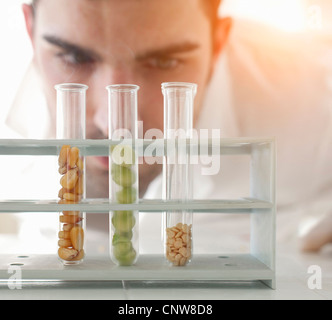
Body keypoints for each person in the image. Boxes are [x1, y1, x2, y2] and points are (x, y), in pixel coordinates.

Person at [9, 0, 332, 254]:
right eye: (72, 57)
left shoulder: (315, 100)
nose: (114, 125)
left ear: (218, 43)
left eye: (164, 62)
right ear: (29, 29)